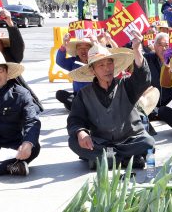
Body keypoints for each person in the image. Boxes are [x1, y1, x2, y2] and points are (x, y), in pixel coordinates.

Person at [66, 35, 154, 170]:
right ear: (92, 70)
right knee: (73, 141)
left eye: (109, 63)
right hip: (102, 142)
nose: (107, 68)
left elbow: (143, 79)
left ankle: (104, 160)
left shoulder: (126, 85)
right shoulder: (84, 94)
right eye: (101, 65)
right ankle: (127, 160)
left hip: (130, 140)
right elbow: (75, 119)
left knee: (148, 142)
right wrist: (81, 133)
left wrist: (136, 50)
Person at [55, 35, 95, 111]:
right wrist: (64, 45)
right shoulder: (73, 61)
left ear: (91, 50)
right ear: (76, 50)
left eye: (86, 48)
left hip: (93, 96)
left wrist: (95, 43)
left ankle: (77, 107)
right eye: (80, 48)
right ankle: (79, 106)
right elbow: (59, 61)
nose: (83, 50)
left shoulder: (96, 61)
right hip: (78, 95)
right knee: (60, 94)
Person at [143, 32, 172, 113]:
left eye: (166, 45)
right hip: (152, 106)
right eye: (160, 45)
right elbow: (135, 58)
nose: (163, 48)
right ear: (154, 47)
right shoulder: (148, 58)